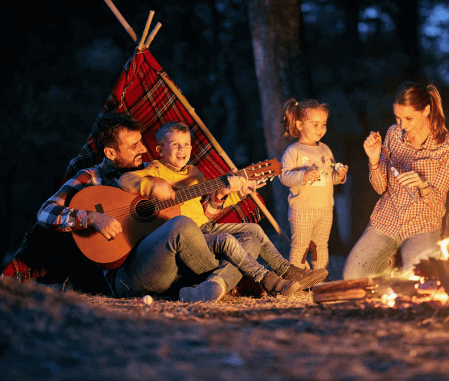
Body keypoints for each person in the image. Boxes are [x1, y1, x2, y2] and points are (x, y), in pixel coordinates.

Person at [36, 112, 299, 302]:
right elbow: (45, 213)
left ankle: (212, 286)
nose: (143, 148)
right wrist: (92, 217)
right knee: (181, 225)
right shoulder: (90, 179)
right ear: (110, 153)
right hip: (131, 274)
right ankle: (234, 279)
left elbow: (196, 214)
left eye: (141, 141)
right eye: (134, 145)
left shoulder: (153, 170)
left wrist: (220, 196)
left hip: (177, 265)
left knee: (248, 238)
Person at [118, 121, 329, 302]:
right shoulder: (155, 170)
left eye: (186, 145)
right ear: (160, 151)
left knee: (253, 230)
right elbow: (125, 180)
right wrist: (151, 186)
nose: (182, 150)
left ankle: (286, 270)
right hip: (186, 236)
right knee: (229, 240)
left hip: (204, 227)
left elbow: (205, 213)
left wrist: (233, 193)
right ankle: (269, 280)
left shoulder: (195, 174)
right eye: (175, 145)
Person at [343, 82, 449, 279]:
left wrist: (422, 184)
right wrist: (374, 160)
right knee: (353, 278)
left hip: (423, 223)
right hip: (387, 219)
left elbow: (437, 200)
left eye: (408, 118)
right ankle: (388, 263)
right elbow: (380, 187)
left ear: (426, 110)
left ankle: (397, 264)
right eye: (397, 118)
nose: (402, 125)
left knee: (418, 281)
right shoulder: (393, 134)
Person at [278, 98, 348, 271]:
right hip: (302, 209)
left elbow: (330, 177)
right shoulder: (293, 151)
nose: (321, 129)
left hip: (324, 209)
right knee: (300, 245)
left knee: (321, 246)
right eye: (315, 124)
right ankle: (296, 277)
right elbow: (284, 176)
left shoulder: (325, 149)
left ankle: (319, 278)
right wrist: (303, 175)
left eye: (323, 124)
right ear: (300, 125)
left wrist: (339, 176)